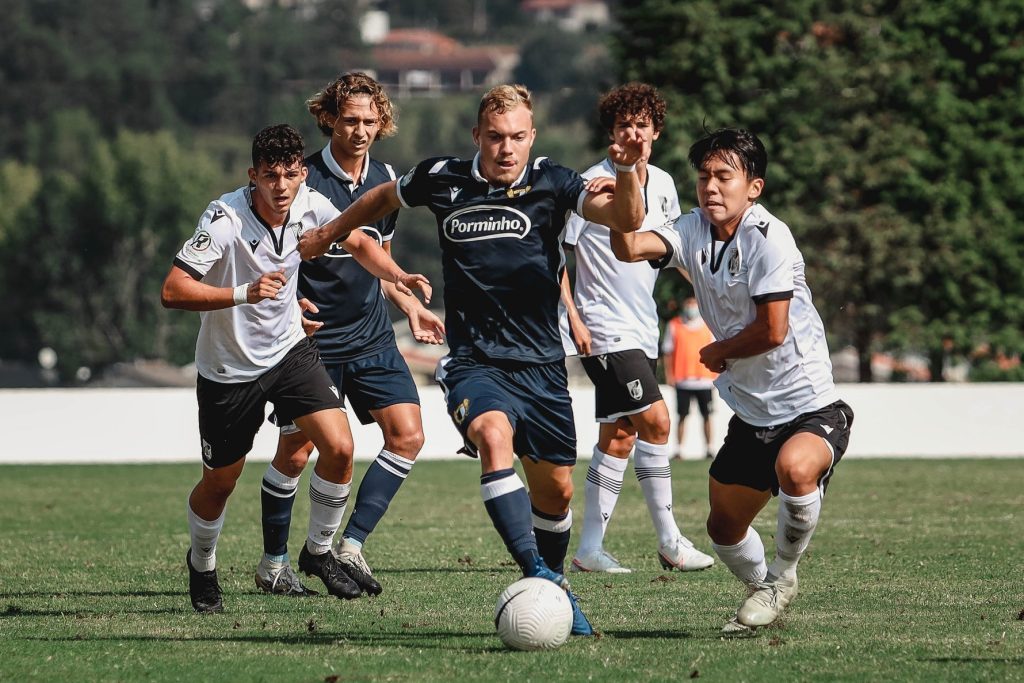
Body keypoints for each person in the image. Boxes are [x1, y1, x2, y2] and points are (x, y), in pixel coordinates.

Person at [299, 84, 647, 636]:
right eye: (494, 137)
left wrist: (628, 172)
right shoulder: (444, 177)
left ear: (531, 137)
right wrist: (330, 231)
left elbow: (625, 220)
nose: (506, 148)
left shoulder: (555, 182)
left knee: (555, 493)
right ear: (476, 136)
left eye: (516, 138)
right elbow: (382, 197)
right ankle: (539, 574)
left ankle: (552, 580)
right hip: (475, 362)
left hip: (542, 368)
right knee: (490, 435)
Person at [160, 124, 430, 612]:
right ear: (253, 177)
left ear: (301, 173)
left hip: (290, 353)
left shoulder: (309, 203)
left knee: (340, 447)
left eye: (289, 174)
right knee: (220, 483)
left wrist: (399, 277)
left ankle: (319, 552)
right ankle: (202, 565)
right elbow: (173, 290)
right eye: (270, 176)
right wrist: (243, 293)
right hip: (228, 370)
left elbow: (358, 241)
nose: (281, 186)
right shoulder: (224, 219)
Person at [608, 128, 854, 634]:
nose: (711, 187)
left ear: (754, 187)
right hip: (752, 413)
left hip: (811, 405)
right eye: (703, 177)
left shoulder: (770, 236)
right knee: (722, 530)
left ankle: (783, 577)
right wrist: (628, 173)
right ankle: (764, 585)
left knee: (796, 470)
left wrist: (719, 350)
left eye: (724, 176)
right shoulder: (693, 228)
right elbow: (629, 245)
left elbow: (773, 329)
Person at [254, 73, 445, 599]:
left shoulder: (386, 177)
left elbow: (374, 256)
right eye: (350, 120)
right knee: (295, 454)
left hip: (372, 334)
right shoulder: (303, 178)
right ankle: (273, 564)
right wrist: (290, 302)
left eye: (369, 121)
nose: (360, 130)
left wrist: (408, 302)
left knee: (408, 435)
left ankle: (347, 546)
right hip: (311, 342)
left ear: (382, 123)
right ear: (329, 119)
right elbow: (274, 257)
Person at [559, 83, 714, 575]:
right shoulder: (591, 183)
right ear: (612, 133)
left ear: (656, 131)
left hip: (641, 328)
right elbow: (555, 255)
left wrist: (718, 302)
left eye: (641, 125)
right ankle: (670, 540)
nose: (633, 133)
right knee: (658, 423)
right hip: (604, 329)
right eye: (624, 125)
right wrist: (574, 317)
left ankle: (588, 549)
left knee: (620, 436)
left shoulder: (665, 184)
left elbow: (676, 253)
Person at [662, 296, 718, 460]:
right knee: (681, 416)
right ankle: (678, 450)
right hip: (682, 380)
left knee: (707, 415)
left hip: (704, 380)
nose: (691, 308)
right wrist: (669, 375)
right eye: (688, 304)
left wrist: (717, 375)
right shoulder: (674, 325)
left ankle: (709, 449)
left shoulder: (708, 325)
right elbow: (667, 352)